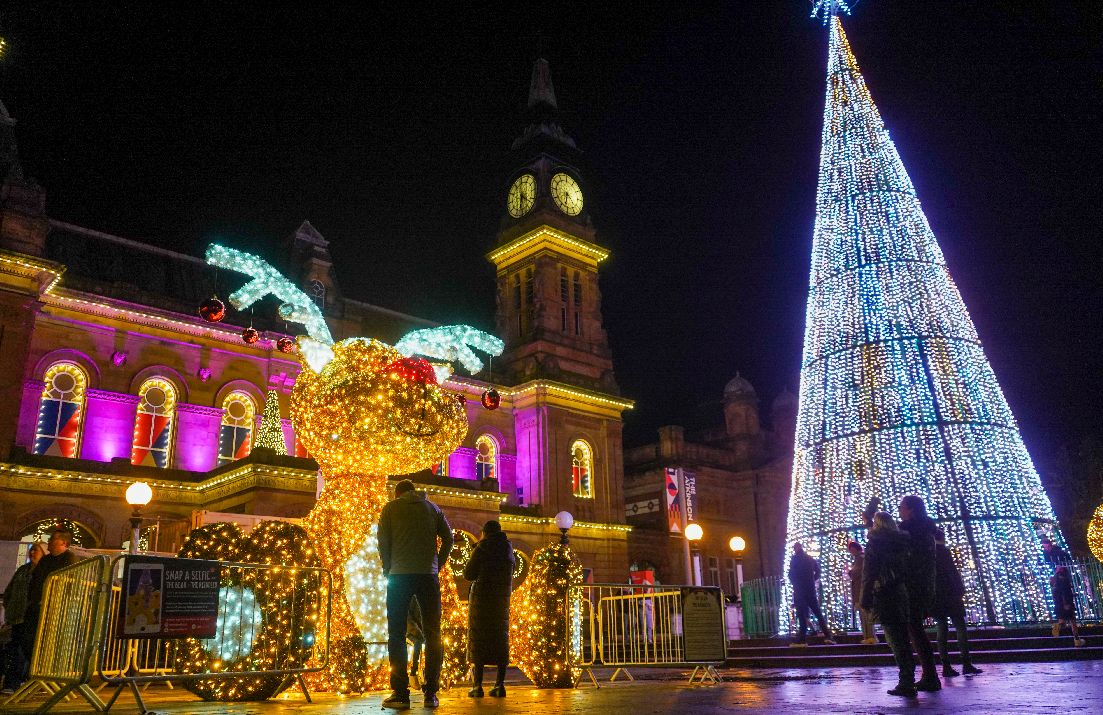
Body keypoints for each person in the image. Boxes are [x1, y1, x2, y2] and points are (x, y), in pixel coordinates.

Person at [378, 480, 453, 710]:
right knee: (433, 633)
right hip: (427, 576)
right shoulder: (432, 508)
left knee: (397, 633)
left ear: (398, 493)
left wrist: (388, 567)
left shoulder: (390, 508)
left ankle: (400, 694)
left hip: (399, 575)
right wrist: (437, 564)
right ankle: (431, 692)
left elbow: (383, 541)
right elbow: (449, 538)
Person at [861, 512, 916, 697]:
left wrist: (865, 598)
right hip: (903, 592)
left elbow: (868, 574)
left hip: (884, 593)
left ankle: (906, 682)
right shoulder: (903, 541)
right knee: (903, 639)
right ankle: (909, 677)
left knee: (894, 639)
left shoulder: (875, 544)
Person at [462, 520, 515, 698]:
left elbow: (468, 574)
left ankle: (477, 686)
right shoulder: (509, 551)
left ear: (485, 532)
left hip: (482, 601)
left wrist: (473, 552)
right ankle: (499, 685)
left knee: (479, 640)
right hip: (501, 602)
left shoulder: (482, 548)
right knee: (500, 639)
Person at [897, 495, 941, 691]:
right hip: (925, 585)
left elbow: (903, 554)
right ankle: (929, 674)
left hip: (912, 585)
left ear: (911, 510)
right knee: (916, 630)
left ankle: (929, 676)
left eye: (902, 507)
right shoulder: (927, 529)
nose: (900, 510)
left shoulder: (908, 530)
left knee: (914, 630)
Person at [20, 530, 79, 674]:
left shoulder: (69, 558)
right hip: (36, 605)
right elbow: (36, 579)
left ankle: (44, 672)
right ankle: (33, 671)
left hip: (53, 607)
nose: (50, 542)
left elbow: (66, 582)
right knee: (28, 640)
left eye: (53, 539)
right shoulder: (46, 560)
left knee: (46, 642)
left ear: (64, 543)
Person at [931, 529, 981, 677]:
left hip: (937, 595)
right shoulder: (944, 552)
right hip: (951, 594)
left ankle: (946, 664)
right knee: (960, 626)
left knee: (942, 627)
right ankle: (966, 662)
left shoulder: (928, 552)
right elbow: (952, 572)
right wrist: (960, 590)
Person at [1, 542, 46, 694]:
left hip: (31, 616)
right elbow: (10, 589)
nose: (32, 553)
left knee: (21, 650)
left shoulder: (42, 572)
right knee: (16, 648)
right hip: (17, 616)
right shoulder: (23, 570)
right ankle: (14, 682)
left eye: (36, 550)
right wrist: (9, 605)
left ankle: (15, 682)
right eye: (32, 549)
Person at [788, 542, 835, 647]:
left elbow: (791, 574)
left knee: (802, 615)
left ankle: (802, 639)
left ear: (795, 549)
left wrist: (796, 584)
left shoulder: (794, 559)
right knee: (817, 613)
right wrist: (812, 580)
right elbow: (818, 571)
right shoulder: (809, 558)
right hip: (810, 589)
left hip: (800, 591)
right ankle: (828, 635)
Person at [846, 541, 876, 645]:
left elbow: (859, 573)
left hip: (861, 590)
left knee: (865, 615)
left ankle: (870, 636)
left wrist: (851, 572)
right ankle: (868, 636)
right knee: (864, 615)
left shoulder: (861, 559)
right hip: (859, 590)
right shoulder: (859, 559)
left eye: (852, 550)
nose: (851, 552)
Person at [1050, 566, 1085, 647]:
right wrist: (1066, 603)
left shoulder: (1054, 581)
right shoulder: (1064, 580)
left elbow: (1057, 594)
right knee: (1073, 622)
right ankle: (1077, 640)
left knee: (1062, 622)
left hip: (1058, 605)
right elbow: (1064, 593)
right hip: (1066, 604)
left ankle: (1058, 626)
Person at [407, 598, 425, 689]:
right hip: (410, 632)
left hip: (420, 631)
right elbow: (409, 621)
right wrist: (421, 634)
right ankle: (413, 673)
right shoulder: (412, 598)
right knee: (417, 644)